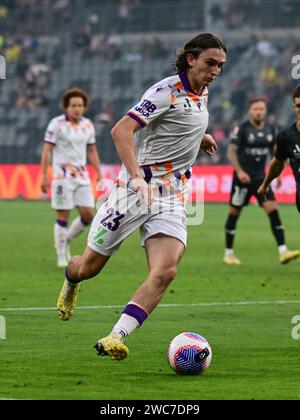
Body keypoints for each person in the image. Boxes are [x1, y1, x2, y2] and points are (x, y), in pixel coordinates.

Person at [57, 33, 227, 361]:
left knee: (165, 272)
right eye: (210, 63)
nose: (215, 70)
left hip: (172, 197)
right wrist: (136, 177)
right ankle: (71, 279)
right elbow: (121, 130)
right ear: (191, 59)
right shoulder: (165, 92)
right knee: (88, 268)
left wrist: (200, 138)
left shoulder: (201, 92)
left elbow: (177, 126)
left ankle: (115, 336)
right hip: (133, 193)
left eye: (220, 65)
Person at [224, 97, 300, 265]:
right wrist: (239, 171)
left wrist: (278, 176)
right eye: (255, 109)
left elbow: (277, 154)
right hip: (242, 179)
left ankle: (283, 251)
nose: (258, 112)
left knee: (273, 210)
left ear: (265, 111)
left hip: (260, 177)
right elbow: (231, 151)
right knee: (234, 213)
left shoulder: (271, 130)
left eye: (261, 109)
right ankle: (228, 253)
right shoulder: (242, 129)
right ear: (250, 111)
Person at [40, 88, 102, 268]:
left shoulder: (88, 125)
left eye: (80, 106)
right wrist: (44, 174)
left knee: (88, 214)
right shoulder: (56, 124)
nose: (77, 109)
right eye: (73, 105)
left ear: (84, 107)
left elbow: (91, 150)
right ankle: (61, 255)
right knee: (63, 214)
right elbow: (47, 150)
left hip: (82, 175)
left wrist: (98, 172)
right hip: (62, 177)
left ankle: (65, 239)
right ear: (67, 107)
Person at [258, 85, 300, 214]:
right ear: (294, 107)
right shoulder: (286, 136)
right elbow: (278, 162)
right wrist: (265, 184)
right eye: (298, 106)